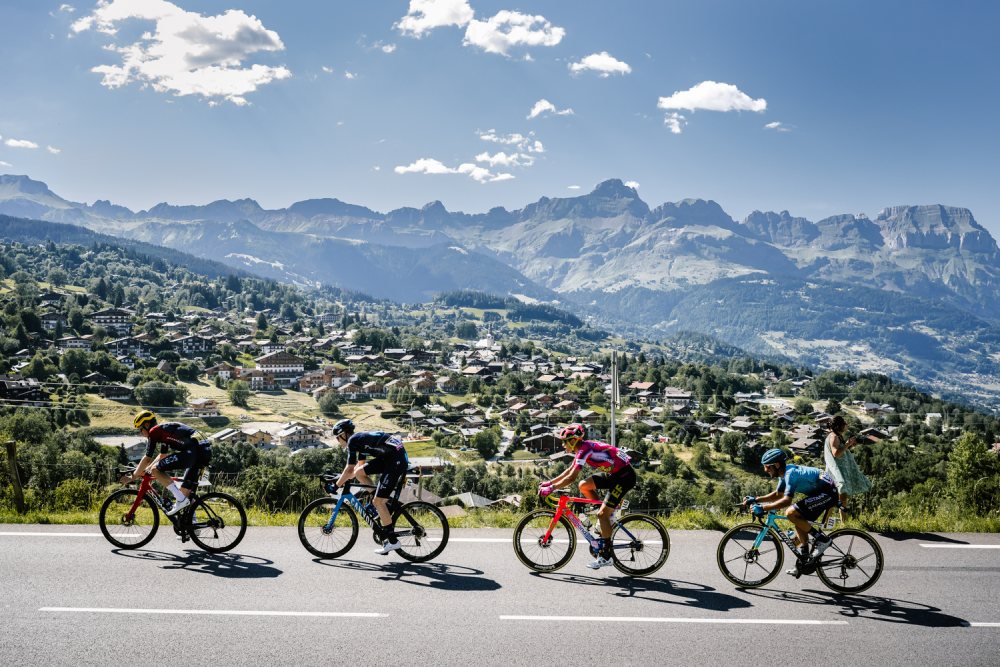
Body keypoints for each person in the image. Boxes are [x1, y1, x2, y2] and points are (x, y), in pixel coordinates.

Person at [539, 423, 637, 570]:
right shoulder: (582, 449)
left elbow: (571, 478)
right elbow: (569, 471)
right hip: (615, 473)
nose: (563, 445)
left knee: (602, 515)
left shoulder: (585, 450)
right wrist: (549, 482)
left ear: (573, 441)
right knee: (584, 485)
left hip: (624, 477)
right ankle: (605, 517)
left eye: (565, 442)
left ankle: (606, 556)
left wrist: (552, 488)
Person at [742, 448, 839, 577]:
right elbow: (778, 495)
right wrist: (757, 499)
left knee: (790, 513)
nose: (765, 470)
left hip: (828, 493)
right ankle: (804, 561)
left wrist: (764, 508)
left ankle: (823, 540)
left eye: (767, 467)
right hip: (820, 492)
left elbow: (787, 500)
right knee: (797, 518)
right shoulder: (784, 474)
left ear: (776, 465)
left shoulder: (790, 474)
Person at [328, 418, 409, 555]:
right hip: (391, 456)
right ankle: (382, 505)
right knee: (360, 473)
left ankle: (393, 542)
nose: (338, 441)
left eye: (338, 438)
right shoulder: (359, 440)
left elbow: (349, 469)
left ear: (344, 434)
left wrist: (336, 486)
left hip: (395, 460)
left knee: (378, 502)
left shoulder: (353, 441)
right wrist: (344, 478)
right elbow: (357, 469)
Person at [121, 411, 211, 517]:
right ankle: (192, 526)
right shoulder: (163, 430)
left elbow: (147, 458)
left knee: (156, 470)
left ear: (146, 425)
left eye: (140, 429)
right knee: (184, 493)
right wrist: (147, 469)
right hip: (204, 451)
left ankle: (181, 501)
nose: (141, 433)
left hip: (193, 452)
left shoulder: (154, 432)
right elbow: (162, 455)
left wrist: (133, 477)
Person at [824, 415, 872, 513]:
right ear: (839, 426)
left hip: (840, 471)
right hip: (837, 472)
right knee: (837, 499)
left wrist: (848, 444)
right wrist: (848, 444)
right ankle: (827, 523)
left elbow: (841, 451)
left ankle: (838, 523)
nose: (847, 425)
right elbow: (836, 453)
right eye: (845, 423)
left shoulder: (837, 436)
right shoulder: (833, 437)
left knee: (841, 499)